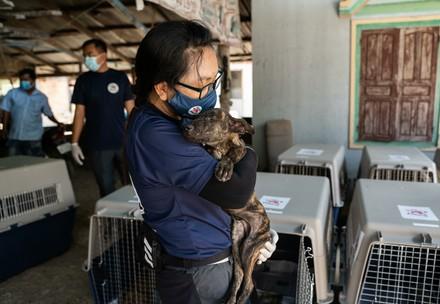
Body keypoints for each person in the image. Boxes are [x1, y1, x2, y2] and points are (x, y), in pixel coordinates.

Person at [126, 21, 278, 304]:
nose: (210, 93)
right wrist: (248, 152)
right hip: (200, 272)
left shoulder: (173, 116)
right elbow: (235, 191)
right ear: (162, 88)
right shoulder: (156, 134)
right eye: (200, 84)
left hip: (216, 257)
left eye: (213, 80)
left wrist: (255, 230)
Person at [70, 38, 135, 197]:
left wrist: (137, 137)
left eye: (90, 54)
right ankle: (111, 220)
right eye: (84, 55)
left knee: (133, 186)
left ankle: (134, 220)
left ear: (103, 55)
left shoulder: (119, 77)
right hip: (98, 145)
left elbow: (131, 109)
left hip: (123, 142)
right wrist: (74, 142)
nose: (86, 59)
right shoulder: (83, 81)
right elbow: (79, 112)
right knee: (106, 188)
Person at [0, 68, 63, 157]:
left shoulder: (41, 97)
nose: (23, 82)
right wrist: (4, 128)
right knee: (13, 163)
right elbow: (6, 110)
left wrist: (58, 123)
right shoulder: (13, 93)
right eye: (21, 80)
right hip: (14, 136)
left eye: (26, 80)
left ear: (33, 80)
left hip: (33, 137)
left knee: (34, 163)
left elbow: (48, 113)